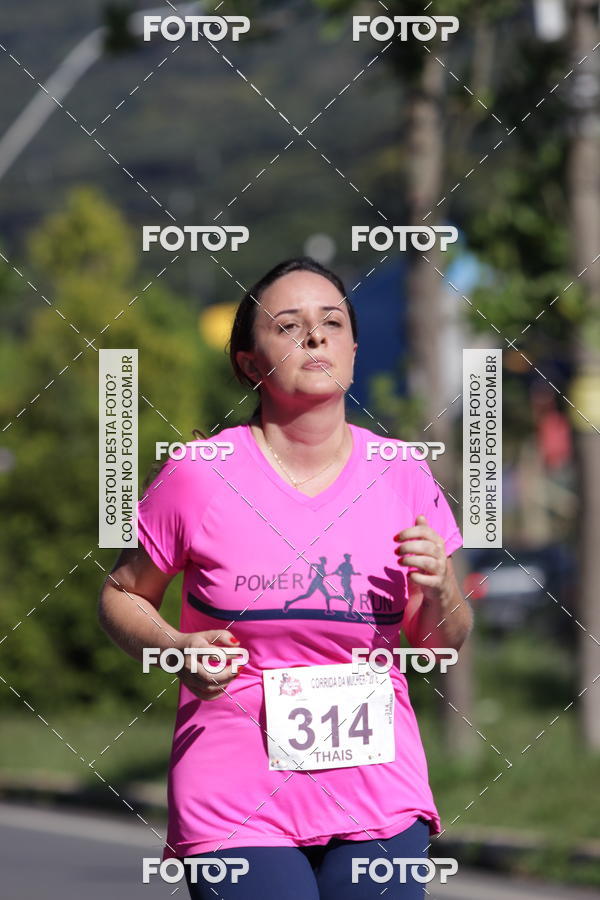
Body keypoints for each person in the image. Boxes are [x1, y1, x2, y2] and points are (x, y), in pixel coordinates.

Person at [98, 256, 473, 899]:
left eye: (332, 322)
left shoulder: (403, 473)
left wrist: (442, 590)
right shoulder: (200, 473)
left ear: (354, 349)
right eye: (289, 325)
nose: (315, 335)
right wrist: (175, 647)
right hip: (235, 798)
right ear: (250, 364)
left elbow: (441, 640)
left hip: (378, 792)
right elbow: (122, 593)